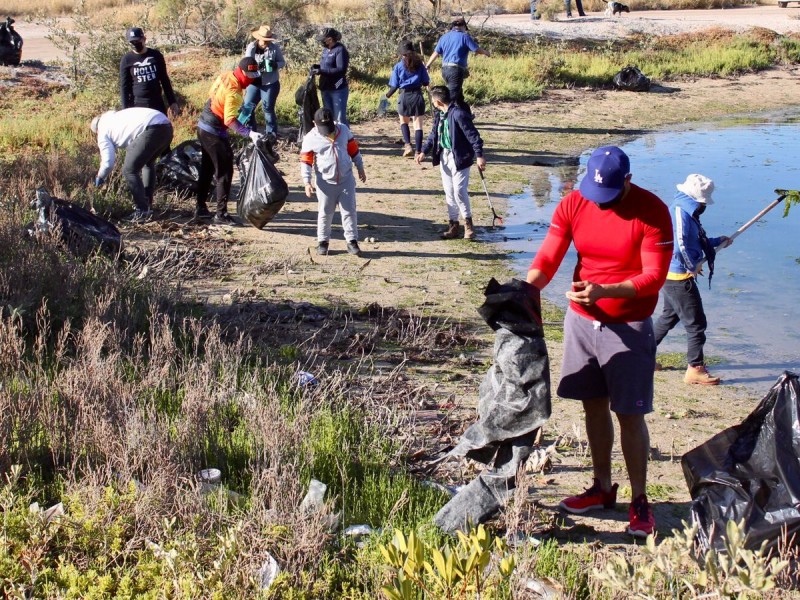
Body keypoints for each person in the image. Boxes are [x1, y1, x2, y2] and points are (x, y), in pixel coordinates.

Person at [525, 146, 673, 538]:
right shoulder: (574, 202)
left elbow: (654, 278)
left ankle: (640, 499)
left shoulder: (653, 212)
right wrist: (525, 290)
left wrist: (606, 291)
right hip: (581, 321)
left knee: (629, 413)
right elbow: (549, 258)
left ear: (627, 180)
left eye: (608, 194)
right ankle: (602, 486)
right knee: (593, 406)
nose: (599, 202)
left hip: (629, 324)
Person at [654, 174, 731, 385]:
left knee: (669, 317)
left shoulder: (688, 211)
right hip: (678, 276)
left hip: (672, 275)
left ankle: (642, 356)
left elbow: (695, 240)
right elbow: (679, 246)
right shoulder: (680, 212)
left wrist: (717, 242)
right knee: (696, 323)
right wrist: (692, 266)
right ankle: (695, 369)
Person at [196, 56, 263, 224]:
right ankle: (221, 214)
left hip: (203, 126)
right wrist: (250, 133)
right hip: (214, 131)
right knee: (224, 173)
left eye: (254, 76)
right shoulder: (234, 92)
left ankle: (200, 208)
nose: (251, 79)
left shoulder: (225, 75)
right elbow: (230, 121)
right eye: (249, 76)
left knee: (207, 168)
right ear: (241, 72)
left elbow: (211, 95)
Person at [416, 86, 485, 241]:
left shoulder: (459, 114)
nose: (433, 104)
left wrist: (479, 156)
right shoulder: (439, 115)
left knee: (459, 191)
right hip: (445, 156)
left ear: (438, 101)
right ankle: (453, 225)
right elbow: (433, 135)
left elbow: (474, 136)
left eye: (433, 101)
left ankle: (468, 225)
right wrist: (423, 151)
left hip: (460, 157)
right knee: (449, 192)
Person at [300, 107, 366, 256]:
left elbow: (353, 150)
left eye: (329, 127)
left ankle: (352, 241)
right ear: (314, 123)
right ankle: (323, 242)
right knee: (325, 212)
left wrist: (360, 167)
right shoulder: (310, 138)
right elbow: (306, 161)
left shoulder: (343, 130)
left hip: (346, 179)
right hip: (325, 183)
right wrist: (307, 182)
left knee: (349, 211)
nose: (328, 131)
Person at [91, 107, 174, 223]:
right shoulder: (114, 116)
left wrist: (100, 177)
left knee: (129, 171)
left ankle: (142, 210)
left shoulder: (102, 132)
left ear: (96, 131)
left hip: (151, 130)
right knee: (148, 163)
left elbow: (107, 163)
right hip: (167, 126)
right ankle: (148, 205)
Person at [424, 17, 490, 111]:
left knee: (458, 95)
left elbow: (436, 53)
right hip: (455, 70)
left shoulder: (444, 37)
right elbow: (476, 49)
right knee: (452, 96)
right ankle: (444, 115)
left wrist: (428, 65)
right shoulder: (464, 36)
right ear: (463, 26)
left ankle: (465, 115)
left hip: (445, 70)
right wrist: (486, 53)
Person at [119, 27, 179, 118]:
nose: (135, 44)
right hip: (137, 104)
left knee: (160, 129)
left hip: (157, 102)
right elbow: (124, 86)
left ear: (144, 39)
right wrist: (124, 109)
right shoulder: (127, 59)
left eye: (137, 41)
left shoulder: (156, 55)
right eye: (132, 42)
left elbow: (164, 80)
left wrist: (172, 102)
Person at [386, 40, 430, 158]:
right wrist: (426, 72)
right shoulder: (420, 65)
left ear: (401, 53)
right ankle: (418, 151)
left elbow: (394, 86)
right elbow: (426, 82)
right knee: (418, 125)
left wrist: (387, 95)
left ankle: (408, 145)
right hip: (417, 95)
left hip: (404, 96)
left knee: (404, 122)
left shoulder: (398, 66)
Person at [242, 24, 286, 137]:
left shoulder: (274, 48)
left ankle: (271, 135)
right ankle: (251, 133)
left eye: (268, 40)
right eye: (264, 40)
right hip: (253, 83)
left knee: (268, 110)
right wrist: (257, 67)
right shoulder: (251, 47)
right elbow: (246, 64)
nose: (267, 42)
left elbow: (282, 62)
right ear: (259, 38)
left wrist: (274, 65)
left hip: (269, 83)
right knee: (247, 107)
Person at [312, 28, 349, 126]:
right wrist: (317, 67)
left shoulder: (340, 50)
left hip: (337, 88)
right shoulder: (325, 50)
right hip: (325, 87)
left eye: (323, 39)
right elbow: (326, 66)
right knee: (329, 117)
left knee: (339, 118)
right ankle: (332, 140)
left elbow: (341, 69)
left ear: (330, 39)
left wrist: (322, 71)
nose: (322, 42)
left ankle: (347, 140)